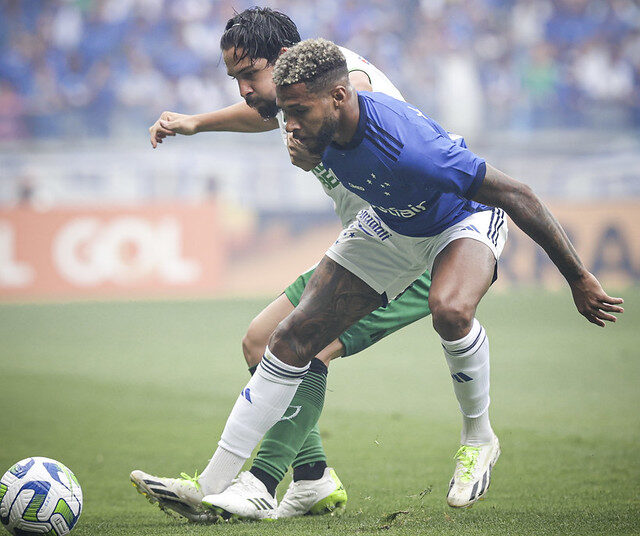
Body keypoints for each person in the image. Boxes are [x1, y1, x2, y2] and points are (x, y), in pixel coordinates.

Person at [198, 37, 624, 519]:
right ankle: (216, 485)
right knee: (292, 336)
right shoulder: (316, 130)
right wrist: (195, 123)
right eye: (285, 112)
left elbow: (517, 194)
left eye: (298, 112)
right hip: (390, 224)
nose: (288, 125)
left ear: (339, 97)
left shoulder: (411, 148)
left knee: (450, 309)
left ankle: (478, 437)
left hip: (460, 221)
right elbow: (273, 117)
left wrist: (578, 277)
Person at [131, 8, 445, 522]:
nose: (244, 90)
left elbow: (376, 122)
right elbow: (264, 112)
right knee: (261, 340)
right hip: (370, 247)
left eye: (249, 75)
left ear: (283, 62)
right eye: (235, 79)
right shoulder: (305, 90)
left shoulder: (349, 87)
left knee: (308, 343)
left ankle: (256, 484)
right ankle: (312, 478)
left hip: (413, 253)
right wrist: (194, 123)